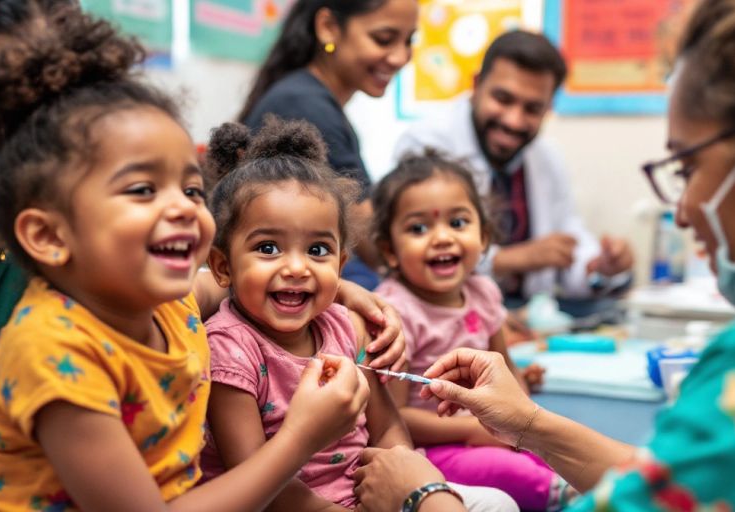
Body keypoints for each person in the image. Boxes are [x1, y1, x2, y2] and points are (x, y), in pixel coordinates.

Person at [0, 2, 405, 509]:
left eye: (190, 189)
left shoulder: (156, 298)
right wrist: (300, 440)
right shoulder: (60, 352)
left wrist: (329, 295)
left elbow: (206, 286)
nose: (27, 138)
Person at [355, 0, 735, 509]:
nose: (683, 211)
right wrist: (528, 425)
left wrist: (420, 498)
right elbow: (669, 483)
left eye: (687, 169)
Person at [199, 119, 516, 512]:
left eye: (317, 251)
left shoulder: (346, 327)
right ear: (223, 266)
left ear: (341, 263)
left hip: (371, 496)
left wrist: (405, 477)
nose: (298, 267)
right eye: (268, 248)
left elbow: (385, 426)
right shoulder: (229, 349)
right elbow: (254, 478)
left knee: (498, 504)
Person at [373, 150, 573, 510]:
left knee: (562, 445)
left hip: (493, 430)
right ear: (390, 250)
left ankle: (573, 484)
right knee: (509, 470)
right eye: (419, 228)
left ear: (483, 238)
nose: (442, 238)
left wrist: (523, 421)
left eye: (458, 222)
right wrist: (473, 431)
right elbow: (393, 417)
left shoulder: (483, 292)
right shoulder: (396, 312)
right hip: (434, 449)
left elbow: (507, 368)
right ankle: (565, 496)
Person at [393, 30, 634, 309]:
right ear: (476, 84)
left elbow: (569, 241)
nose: (514, 121)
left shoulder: (546, 157)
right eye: (503, 99)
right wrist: (517, 258)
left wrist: (601, 267)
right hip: (450, 316)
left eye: (532, 108)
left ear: (548, 109)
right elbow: (415, 250)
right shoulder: (427, 144)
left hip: (527, 315)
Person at [238, 0, 419, 290]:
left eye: (409, 40)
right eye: (383, 39)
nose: (400, 57)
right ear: (328, 28)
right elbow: (375, 246)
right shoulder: (307, 106)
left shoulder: (308, 96)